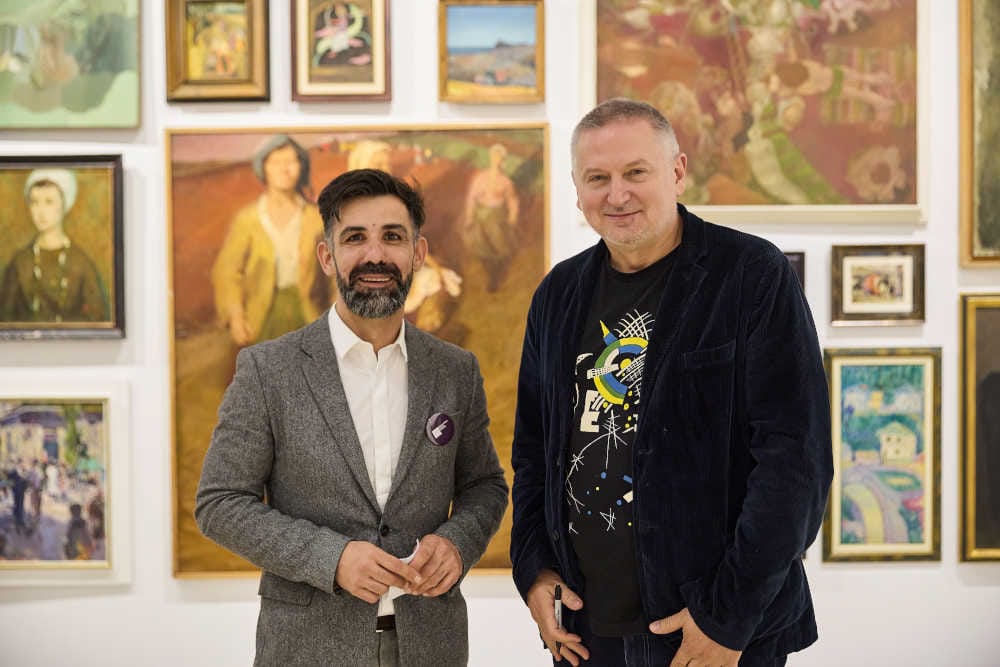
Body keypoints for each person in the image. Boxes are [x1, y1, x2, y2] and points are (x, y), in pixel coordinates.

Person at [510, 98, 833, 667]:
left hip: (714, 632)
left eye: (636, 172)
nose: (617, 195)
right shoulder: (557, 294)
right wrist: (533, 569)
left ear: (677, 172)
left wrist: (727, 618)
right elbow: (533, 453)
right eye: (597, 178)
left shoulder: (751, 275)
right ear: (577, 189)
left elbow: (794, 464)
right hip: (588, 634)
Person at [196, 168, 508, 666]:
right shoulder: (268, 370)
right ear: (327, 256)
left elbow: (485, 486)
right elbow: (220, 503)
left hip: (432, 646)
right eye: (355, 238)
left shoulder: (455, 370)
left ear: (419, 254)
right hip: (307, 649)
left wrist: (456, 543)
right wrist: (331, 558)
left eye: (393, 237)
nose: (375, 255)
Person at [211, 134, 328, 348]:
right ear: (263, 169)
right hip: (260, 317)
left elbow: (336, 275)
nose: (284, 169)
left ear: (301, 168)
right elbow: (227, 272)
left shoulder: (316, 219)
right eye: (276, 162)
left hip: (309, 316)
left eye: (291, 161)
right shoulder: (247, 220)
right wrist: (236, 317)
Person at [0, 168, 110, 323]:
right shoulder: (19, 263)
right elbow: (6, 319)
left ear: (63, 205)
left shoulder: (81, 263)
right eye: (34, 202)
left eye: (49, 202)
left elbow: (98, 319)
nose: (41, 212)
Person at [462, 143, 520, 292]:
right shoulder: (481, 178)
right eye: (494, 157)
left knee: (499, 245)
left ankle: (495, 274)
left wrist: (512, 217)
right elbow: (471, 198)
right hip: (480, 216)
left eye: (499, 158)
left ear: (503, 161)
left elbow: (512, 200)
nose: (496, 161)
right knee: (480, 244)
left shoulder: (505, 182)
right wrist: (469, 217)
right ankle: (490, 272)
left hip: (497, 217)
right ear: (490, 159)